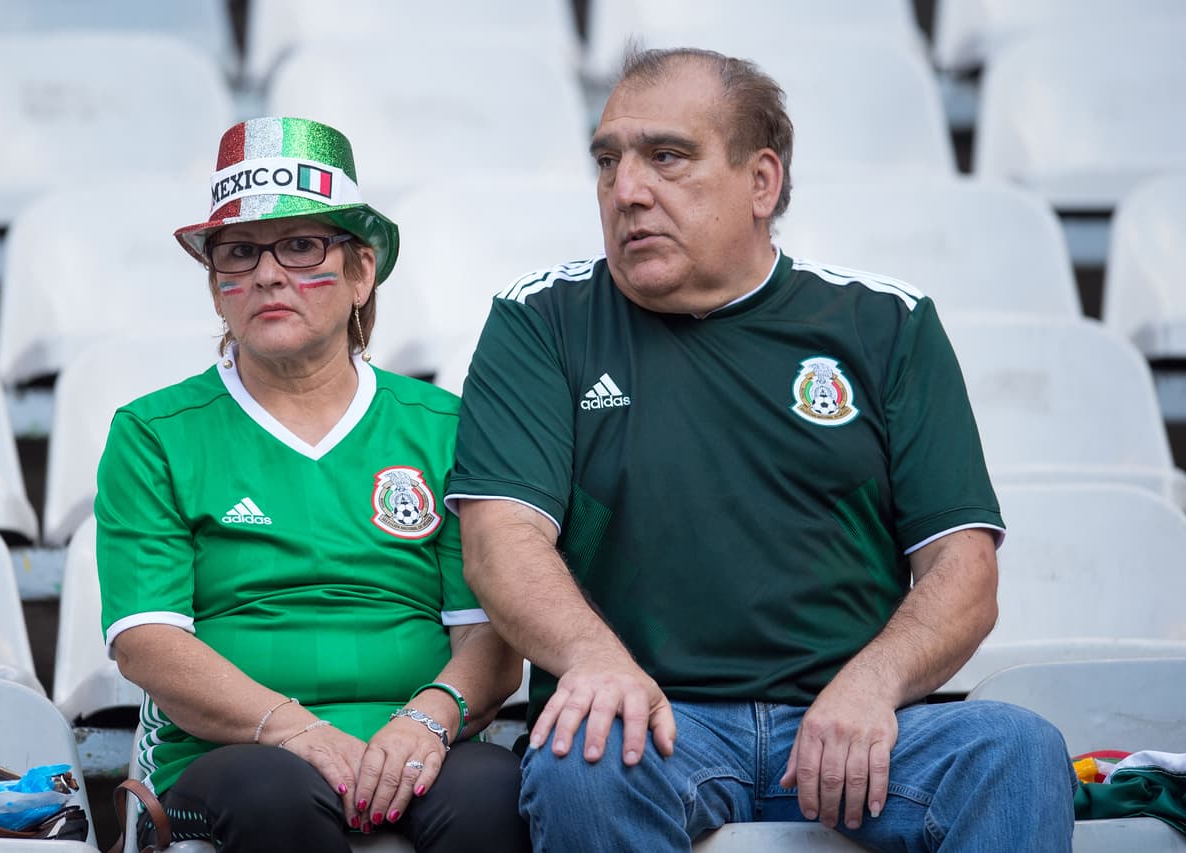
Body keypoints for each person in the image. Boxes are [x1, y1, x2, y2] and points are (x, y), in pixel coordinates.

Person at [447, 48, 1078, 850]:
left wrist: (872, 686)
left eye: (666, 156)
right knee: (582, 761)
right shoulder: (541, 319)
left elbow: (965, 570)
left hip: (853, 720)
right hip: (653, 727)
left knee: (1015, 750)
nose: (627, 190)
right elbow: (499, 540)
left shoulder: (885, 321)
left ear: (762, 182)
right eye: (608, 160)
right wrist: (592, 660)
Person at [95, 116, 530, 853]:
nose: (268, 273)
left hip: (424, 743)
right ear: (217, 288)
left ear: (363, 272)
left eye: (301, 246)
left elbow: (491, 632)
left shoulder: (444, 426)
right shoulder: (154, 431)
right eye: (239, 253)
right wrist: (296, 728)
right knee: (280, 798)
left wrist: (427, 717)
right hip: (232, 755)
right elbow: (148, 643)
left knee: (495, 793)